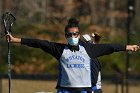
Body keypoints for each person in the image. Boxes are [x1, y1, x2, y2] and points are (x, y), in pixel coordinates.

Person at [6, 18, 139, 93]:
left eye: (75, 34)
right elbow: (39, 43)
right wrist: (15, 40)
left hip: (84, 91)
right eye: (69, 35)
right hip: (65, 90)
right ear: (65, 36)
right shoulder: (60, 49)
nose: (72, 36)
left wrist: (127, 47)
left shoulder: (89, 49)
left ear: (79, 35)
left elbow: (110, 47)